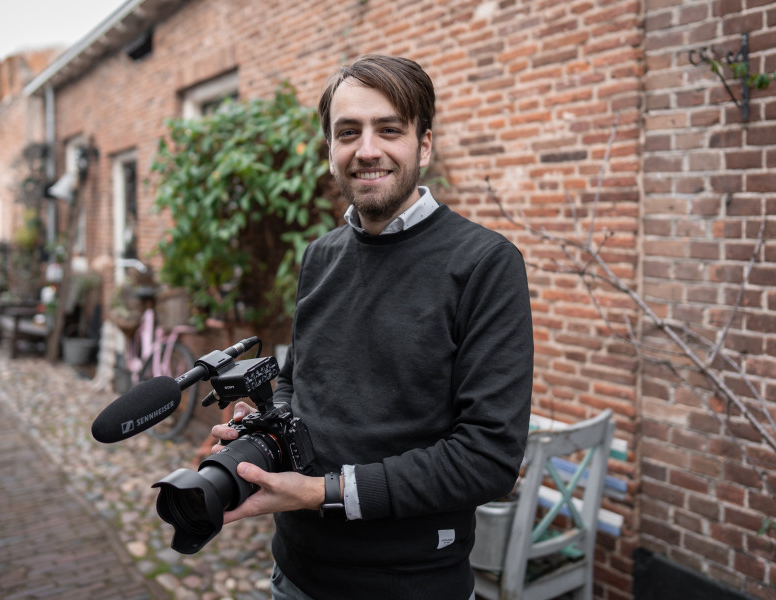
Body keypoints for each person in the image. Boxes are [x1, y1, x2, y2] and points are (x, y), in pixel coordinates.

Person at [210, 54, 534, 600]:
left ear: (423, 145)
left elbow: (488, 459)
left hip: (411, 585)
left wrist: (321, 492)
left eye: (389, 129)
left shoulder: (485, 264)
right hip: (294, 577)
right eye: (347, 132)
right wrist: (266, 428)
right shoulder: (319, 256)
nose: (366, 150)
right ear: (330, 150)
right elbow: (297, 384)